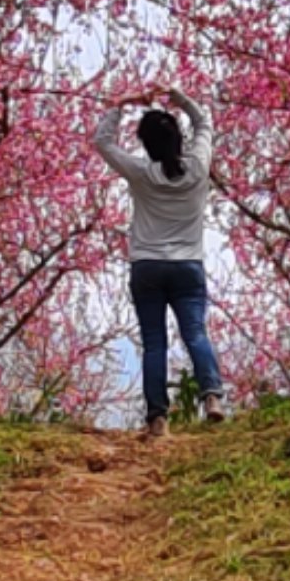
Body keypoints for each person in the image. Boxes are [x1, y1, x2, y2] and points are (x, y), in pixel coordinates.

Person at [91, 87, 227, 437]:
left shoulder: (141, 172)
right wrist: (178, 97)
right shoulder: (198, 166)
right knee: (195, 332)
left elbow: (103, 142)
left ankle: (158, 420)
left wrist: (120, 105)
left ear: (147, 145)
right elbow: (204, 122)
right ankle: (212, 397)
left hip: (147, 266)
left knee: (155, 342)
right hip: (188, 266)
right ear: (178, 139)